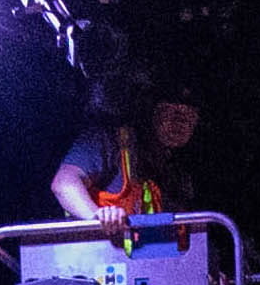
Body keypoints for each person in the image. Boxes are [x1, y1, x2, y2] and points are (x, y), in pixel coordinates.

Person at [49, 82, 200, 242]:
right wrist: (97, 217)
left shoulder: (174, 171)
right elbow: (63, 183)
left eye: (189, 116)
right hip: (95, 259)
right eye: (171, 112)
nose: (180, 123)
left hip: (141, 263)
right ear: (151, 114)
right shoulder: (108, 142)